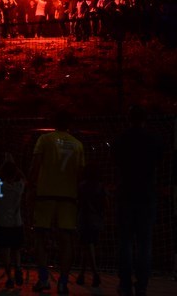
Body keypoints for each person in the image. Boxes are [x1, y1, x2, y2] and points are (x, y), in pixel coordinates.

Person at [29, 110, 85, 294]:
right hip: (68, 197)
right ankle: (62, 281)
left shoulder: (45, 140)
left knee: (40, 237)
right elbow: (80, 174)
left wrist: (31, 187)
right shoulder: (78, 145)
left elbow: (36, 165)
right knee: (66, 240)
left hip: (46, 194)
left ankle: (44, 278)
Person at [112, 104, 165, 296]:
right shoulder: (154, 141)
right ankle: (142, 284)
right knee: (145, 242)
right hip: (146, 194)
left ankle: (125, 283)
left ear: (129, 118)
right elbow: (160, 163)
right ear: (145, 119)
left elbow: (116, 163)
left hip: (126, 193)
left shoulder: (121, 140)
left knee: (125, 242)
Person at [0, 153, 26, 289]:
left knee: (5, 252)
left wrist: (5, 163)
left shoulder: (0, 187)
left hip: (3, 223)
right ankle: (18, 267)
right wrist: (15, 165)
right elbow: (24, 178)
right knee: (16, 249)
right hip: (17, 222)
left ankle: (9, 277)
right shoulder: (19, 187)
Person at [75, 162, 107, 288]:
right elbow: (106, 203)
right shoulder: (101, 186)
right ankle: (82, 275)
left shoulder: (82, 186)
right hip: (97, 220)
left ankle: (95, 273)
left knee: (87, 246)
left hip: (85, 220)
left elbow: (78, 202)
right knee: (88, 247)